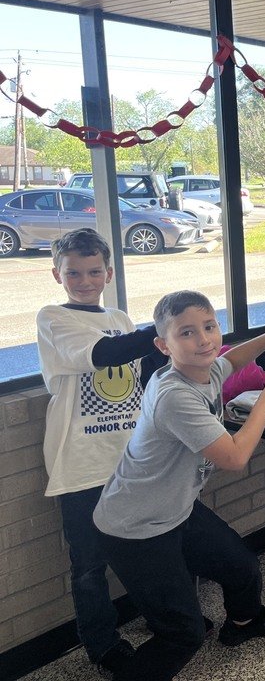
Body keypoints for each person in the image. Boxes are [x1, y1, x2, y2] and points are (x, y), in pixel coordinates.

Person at [92, 291, 265, 681]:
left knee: (240, 565)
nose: (204, 340)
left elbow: (233, 358)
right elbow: (233, 458)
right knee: (184, 634)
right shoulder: (174, 394)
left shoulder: (204, 368)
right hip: (135, 529)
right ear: (164, 345)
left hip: (176, 509)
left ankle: (243, 624)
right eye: (188, 333)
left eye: (209, 327)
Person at [36, 228, 169, 677]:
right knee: (89, 565)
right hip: (80, 466)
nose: (85, 279)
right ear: (58, 273)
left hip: (128, 459)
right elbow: (102, 355)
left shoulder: (120, 316)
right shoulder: (53, 317)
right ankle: (102, 644)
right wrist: (165, 328)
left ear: (109, 273)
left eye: (94, 271)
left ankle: (164, 621)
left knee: (142, 550)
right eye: (74, 272)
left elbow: (143, 371)